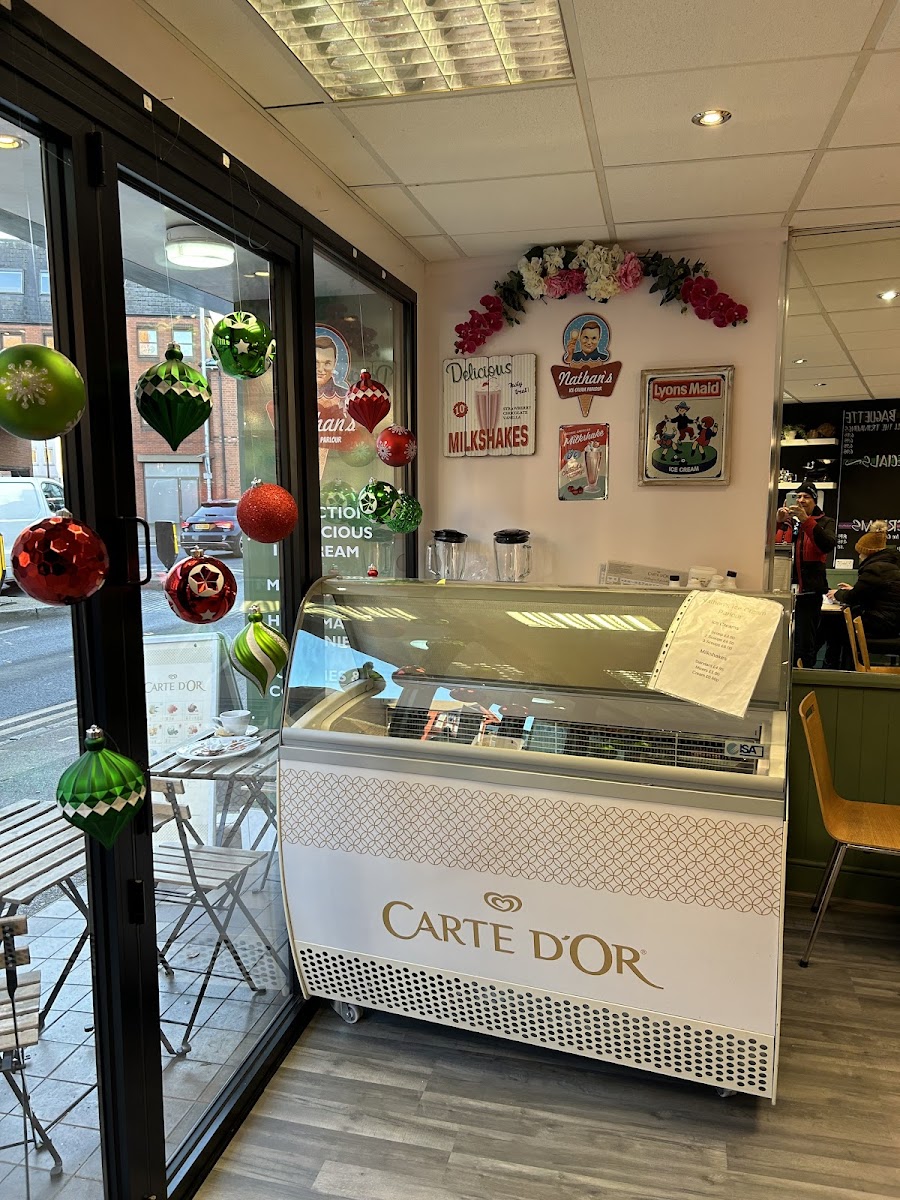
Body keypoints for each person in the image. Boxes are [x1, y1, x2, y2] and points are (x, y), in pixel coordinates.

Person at [775, 482, 836, 667]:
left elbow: (826, 545)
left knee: (805, 642)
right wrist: (777, 522)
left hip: (809, 591)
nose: (801, 500)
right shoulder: (786, 522)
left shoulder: (825, 522)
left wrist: (806, 520)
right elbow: (768, 545)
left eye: (806, 497)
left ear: (814, 500)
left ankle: (803, 675)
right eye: (798, 496)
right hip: (781, 588)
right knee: (778, 639)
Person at [827, 521, 900, 663]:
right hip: (892, 621)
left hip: (881, 624)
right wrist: (853, 589)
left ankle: (838, 665)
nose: (859, 556)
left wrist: (836, 594)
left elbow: (852, 598)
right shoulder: (889, 566)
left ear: (868, 553)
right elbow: (873, 593)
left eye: (861, 553)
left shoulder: (875, 569)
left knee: (836, 625)